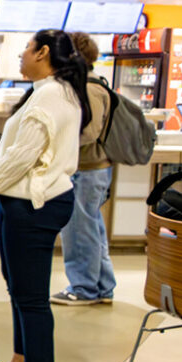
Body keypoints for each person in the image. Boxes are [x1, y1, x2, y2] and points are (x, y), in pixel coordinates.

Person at [0, 29, 88, 362]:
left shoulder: (51, 96)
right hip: (26, 201)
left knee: (32, 298)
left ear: (43, 52)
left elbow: (22, 156)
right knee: (19, 288)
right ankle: (21, 361)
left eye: (24, 49)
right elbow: (12, 150)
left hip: (33, 205)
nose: (19, 55)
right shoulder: (53, 91)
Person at [53, 32, 116, 306]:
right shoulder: (97, 84)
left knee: (79, 229)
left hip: (85, 169)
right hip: (95, 169)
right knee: (92, 228)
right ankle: (102, 286)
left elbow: (88, 133)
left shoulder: (88, 89)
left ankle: (83, 288)